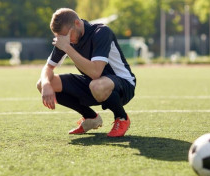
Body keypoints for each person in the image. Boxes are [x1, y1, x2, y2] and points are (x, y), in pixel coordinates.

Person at [36, 8, 136, 137]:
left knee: (97, 85)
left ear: (77, 23)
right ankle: (91, 118)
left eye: (67, 35)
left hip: (123, 85)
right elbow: (48, 68)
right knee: (42, 83)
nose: (66, 40)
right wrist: (45, 84)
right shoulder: (65, 37)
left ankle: (121, 118)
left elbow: (95, 72)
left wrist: (67, 47)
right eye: (61, 37)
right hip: (93, 84)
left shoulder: (101, 32)